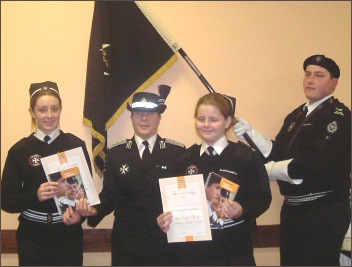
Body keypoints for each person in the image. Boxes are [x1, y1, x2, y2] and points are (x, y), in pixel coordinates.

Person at [233, 54, 351, 266]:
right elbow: (278, 152)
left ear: (334, 83)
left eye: (318, 75)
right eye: (307, 74)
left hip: (323, 211)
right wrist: (251, 134)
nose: (310, 80)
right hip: (293, 211)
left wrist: (268, 171)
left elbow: (311, 163)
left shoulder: (337, 116)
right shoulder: (297, 115)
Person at [157, 93, 272, 266]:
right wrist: (165, 221)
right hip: (192, 255)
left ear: (227, 122)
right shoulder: (184, 159)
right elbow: (170, 203)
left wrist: (242, 209)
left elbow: (263, 198)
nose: (206, 125)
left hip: (233, 252)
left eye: (213, 119)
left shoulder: (245, 157)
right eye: (201, 118)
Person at [76, 87, 186, 266]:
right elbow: (110, 196)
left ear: (159, 117)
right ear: (132, 117)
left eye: (150, 113)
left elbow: (184, 199)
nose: (144, 118)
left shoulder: (177, 153)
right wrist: (94, 210)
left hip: (164, 243)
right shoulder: (116, 154)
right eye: (138, 113)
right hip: (127, 245)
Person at [1, 81, 92, 266]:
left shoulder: (75, 146)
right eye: (42, 110)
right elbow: (6, 201)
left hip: (68, 236)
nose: (49, 115)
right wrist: (33, 196)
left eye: (54, 109)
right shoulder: (19, 151)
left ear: (60, 110)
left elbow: (86, 195)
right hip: (32, 237)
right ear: (32, 112)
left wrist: (79, 216)